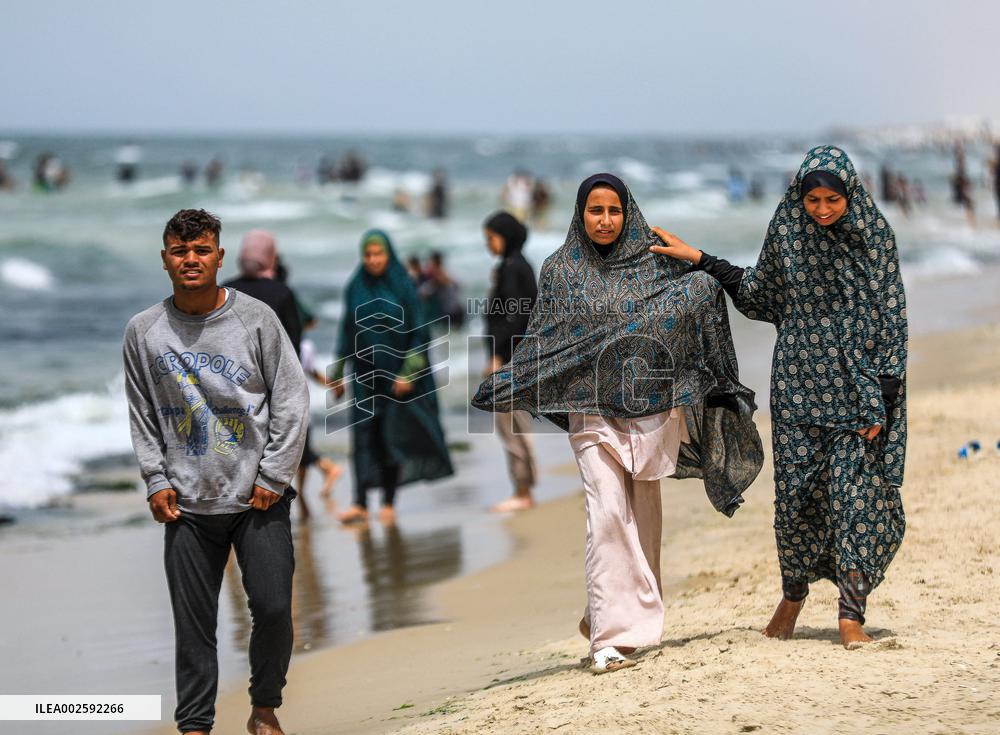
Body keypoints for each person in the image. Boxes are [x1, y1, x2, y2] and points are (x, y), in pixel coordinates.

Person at [472, 174, 763, 673]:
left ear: (627, 213)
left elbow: (698, 294)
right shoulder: (560, 269)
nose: (605, 221)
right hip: (590, 411)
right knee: (605, 511)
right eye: (594, 210)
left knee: (643, 514)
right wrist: (514, 377)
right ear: (579, 213)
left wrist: (696, 260)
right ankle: (607, 641)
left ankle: (600, 610)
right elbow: (548, 341)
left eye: (614, 211)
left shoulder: (656, 262)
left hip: (649, 408)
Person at [650, 145, 908, 649]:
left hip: (857, 390)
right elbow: (759, 296)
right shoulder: (787, 232)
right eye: (813, 199)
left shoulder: (875, 239)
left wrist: (886, 395)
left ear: (850, 193)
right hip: (796, 385)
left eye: (832, 199)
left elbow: (892, 319)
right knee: (795, 500)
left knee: (855, 499)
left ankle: (850, 617)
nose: (823, 209)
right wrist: (700, 259)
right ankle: (792, 597)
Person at [122, 209, 308, 734]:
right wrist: (155, 479)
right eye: (180, 252)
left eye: (202, 250)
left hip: (257, 498)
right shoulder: (143, 331)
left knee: (272, 609)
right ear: (165, 259)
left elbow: (292, 399)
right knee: (193, 625)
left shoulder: (255, 319)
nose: (191, 260)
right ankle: (195, 726)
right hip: (187, 503)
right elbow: (140, 411)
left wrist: (274, 476)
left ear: (219, 256)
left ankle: (264, 707)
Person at [331, 229, 454, 525]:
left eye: (378, 254)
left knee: (390, 438)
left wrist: (409, 372)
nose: (373, 260)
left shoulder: (403, 286)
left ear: (389, 255)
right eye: (368, 255)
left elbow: (419, 332)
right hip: (363, 377)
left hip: (395, 378)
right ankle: (359, 503)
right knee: (362, 439)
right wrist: (337, 372)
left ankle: (388, 501)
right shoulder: (355, 286)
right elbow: (348, 330)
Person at [482, 211, 539, 513]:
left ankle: (522, 490)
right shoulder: (517, 266)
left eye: (491, 238)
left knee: (510, 424)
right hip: (518, 357)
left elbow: (515, 317)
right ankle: (524, 487)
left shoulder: (512, 268)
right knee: (517, 422)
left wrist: (497, 355)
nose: (488, 244)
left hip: (510, 359)